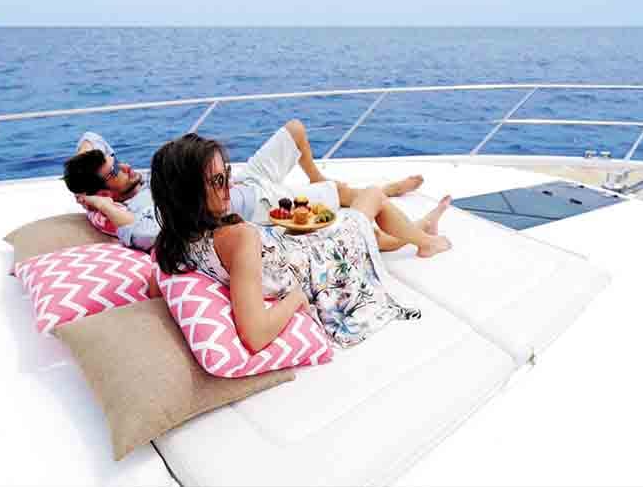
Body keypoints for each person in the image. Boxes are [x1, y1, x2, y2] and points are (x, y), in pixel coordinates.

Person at [150, 132, 452, 351]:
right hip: (315, 264)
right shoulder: (238, 238)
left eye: (226, 174)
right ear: (188, 195)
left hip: (292, 252)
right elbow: (255, 335)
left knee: (361, 231)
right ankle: (425, 241)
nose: (230, 184)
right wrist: (296, 300)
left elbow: (156, 286)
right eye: (217, 180)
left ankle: (417, 229)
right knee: (371, 197)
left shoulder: (174, 239)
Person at [61, 119, 448, 252]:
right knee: (356, 204)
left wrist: (93, 165)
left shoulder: (132, 179)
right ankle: (418, 234)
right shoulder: (143, 210)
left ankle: (335, 185)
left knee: (295, 131)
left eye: (117, 162)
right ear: (104, 194)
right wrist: (105, 206)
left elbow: (91, 135)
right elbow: (144, 232)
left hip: (242, 181)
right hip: (256, 204)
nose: (125, 167)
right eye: (114, 173)